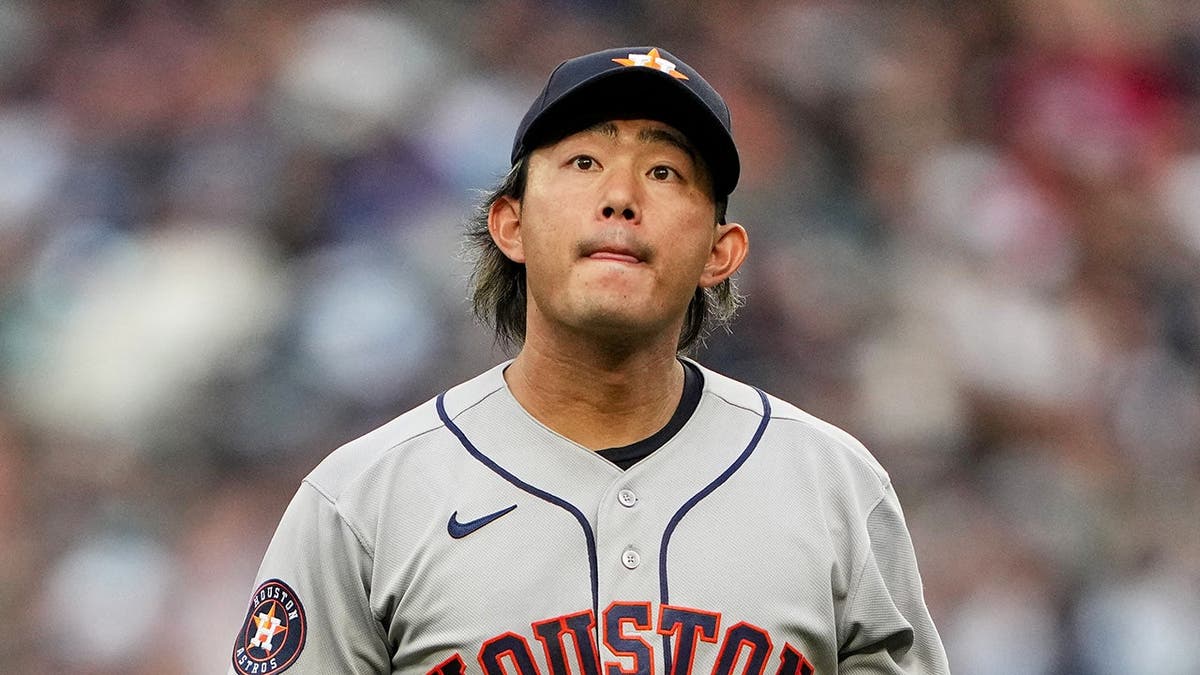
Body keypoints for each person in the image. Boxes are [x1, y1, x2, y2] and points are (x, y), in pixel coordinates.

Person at [230, 46, 950, 675]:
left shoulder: (834, 486)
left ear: (720, 252)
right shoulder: (364, 500)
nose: (621, 197)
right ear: (510, 223)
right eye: (583, 162)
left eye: (666, 171)